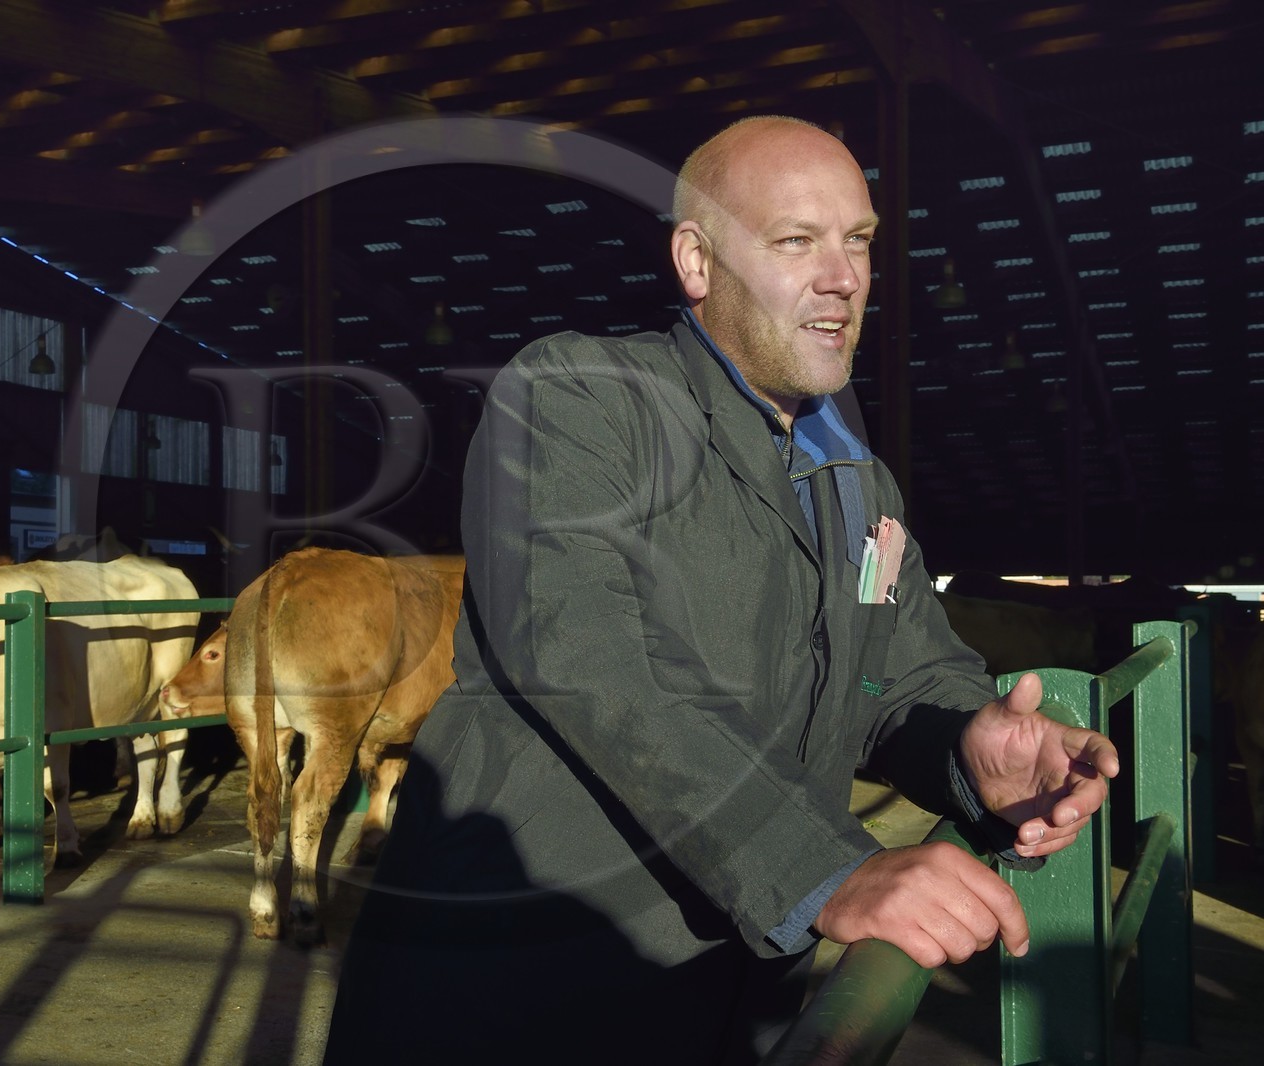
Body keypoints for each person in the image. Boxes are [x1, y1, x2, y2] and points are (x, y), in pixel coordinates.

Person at [321, 115, 1118, 1065]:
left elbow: (901, 678)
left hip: (737, 994)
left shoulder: (857, 480)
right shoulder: (580, 397)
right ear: (696, 262)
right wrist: (825, 872)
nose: (844, 278)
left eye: (858, 240)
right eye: (796, 241)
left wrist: (973, 746)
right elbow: (591, 664)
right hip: (527, 992)